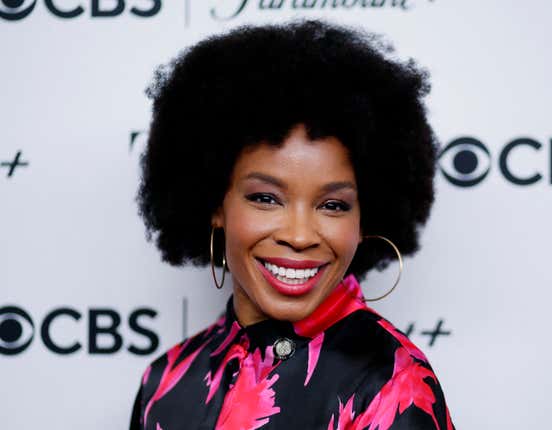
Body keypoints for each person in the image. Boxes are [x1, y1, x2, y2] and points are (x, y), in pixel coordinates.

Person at [129, 19, 455, 430]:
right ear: (215, 203)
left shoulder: (390, 385)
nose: (300, 236)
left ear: (365, 218)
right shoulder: (166, 381)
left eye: (333, 205)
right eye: (266, 198)